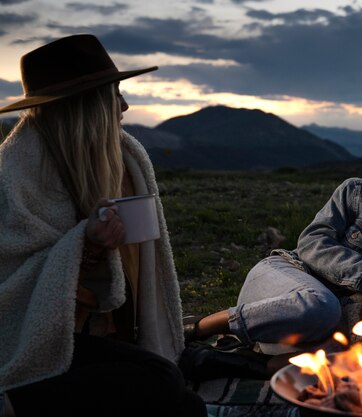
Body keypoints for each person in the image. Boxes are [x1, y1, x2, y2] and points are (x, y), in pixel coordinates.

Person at [0, 34, 207, 416]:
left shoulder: (122, 158)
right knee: (161, 379)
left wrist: (93, 248)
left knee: (186, 405)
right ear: (87, 106)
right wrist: (85, 245)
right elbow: (11, 284)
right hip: (24, 339)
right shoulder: (17, 173)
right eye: (114, 95)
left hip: (88, 331)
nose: (125, 105)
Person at [182, 127, 362, 361]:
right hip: (286, 279)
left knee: (344, 357)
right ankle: (200, 326)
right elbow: (311, 244)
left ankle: (232, 361)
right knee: (321, 307)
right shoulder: (358, 194)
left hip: (317, 322)